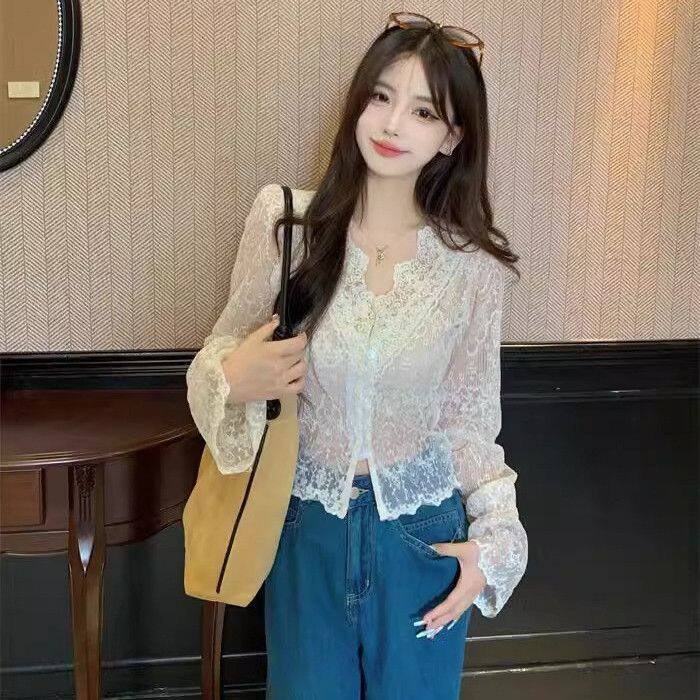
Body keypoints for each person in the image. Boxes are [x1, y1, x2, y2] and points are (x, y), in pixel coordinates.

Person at [186, 12, 528, 700]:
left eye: (423, 110)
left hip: (423, 539)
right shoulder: (288, 224)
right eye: (381, 96)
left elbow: (467, 421)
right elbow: (220, 354)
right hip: (305, 529)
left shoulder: (471, 266)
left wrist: (497, 542)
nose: (393, 123)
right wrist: (233, 376)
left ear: (452, 136)